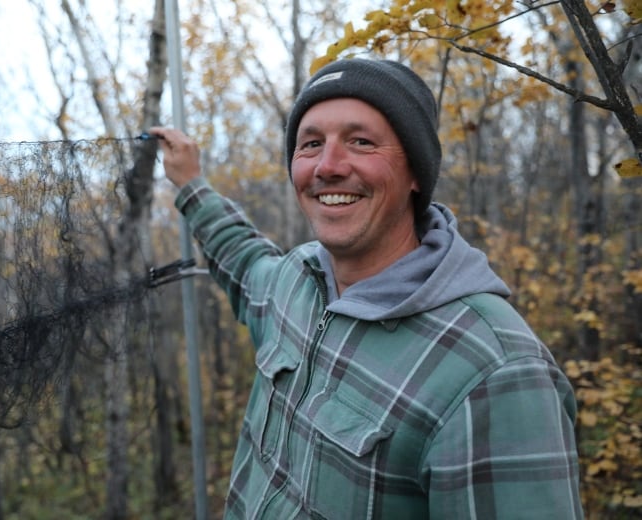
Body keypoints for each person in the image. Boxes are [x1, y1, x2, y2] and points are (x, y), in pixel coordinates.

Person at [150, 57, 583, 519]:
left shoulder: (495, 372)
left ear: (416, 172)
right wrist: (191, 185)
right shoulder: (299, 281)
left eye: (361, 142)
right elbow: (242, 258)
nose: (328, 166)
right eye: (310, 144)